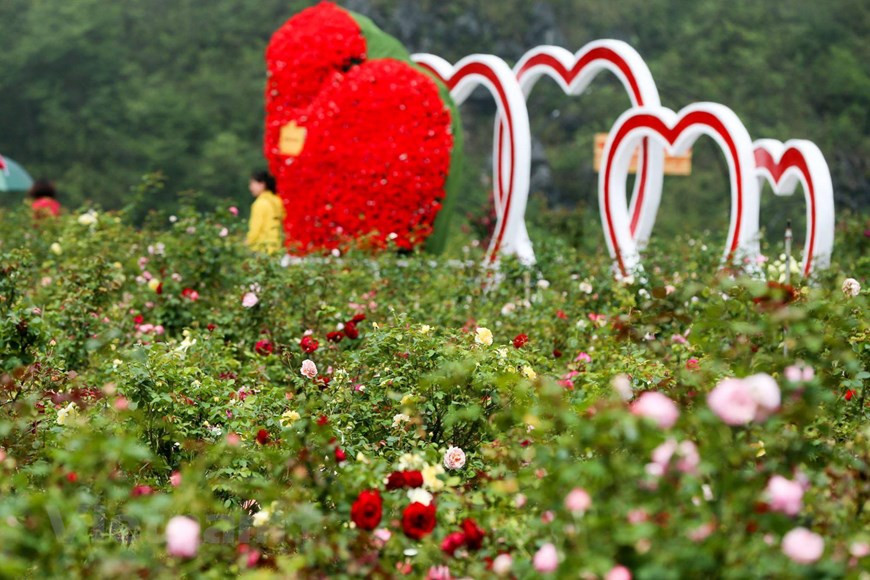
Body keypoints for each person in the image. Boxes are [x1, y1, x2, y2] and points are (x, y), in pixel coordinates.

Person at [245, 170, 285, 254]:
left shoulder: (260, 203)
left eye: (252, 184)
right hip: (278, 247)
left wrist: (247, 242)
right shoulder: (277, 200)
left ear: (262, 184)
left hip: (262, 249)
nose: (250, 188)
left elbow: (255, 229)